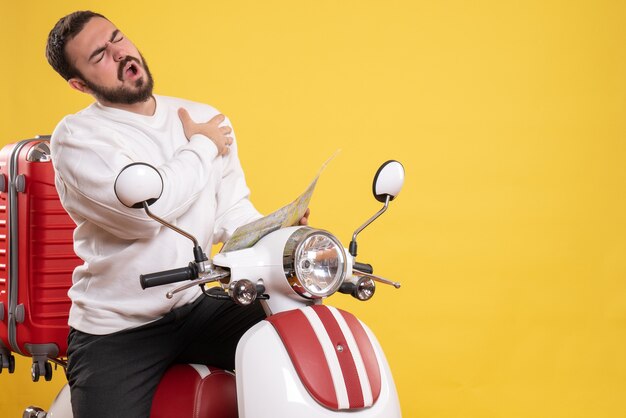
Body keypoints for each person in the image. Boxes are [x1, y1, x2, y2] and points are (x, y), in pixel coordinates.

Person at [45, 10, 308, 418]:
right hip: (118, 327)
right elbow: (147, 214)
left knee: (300, 340)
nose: (120, 53)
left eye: (118, 38)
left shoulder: (202, 114)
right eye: (99, 54)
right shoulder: (78, 137)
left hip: (197, 304)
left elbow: (231, 212)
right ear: (80, 84)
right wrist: (201, 147)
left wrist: (277, 229)